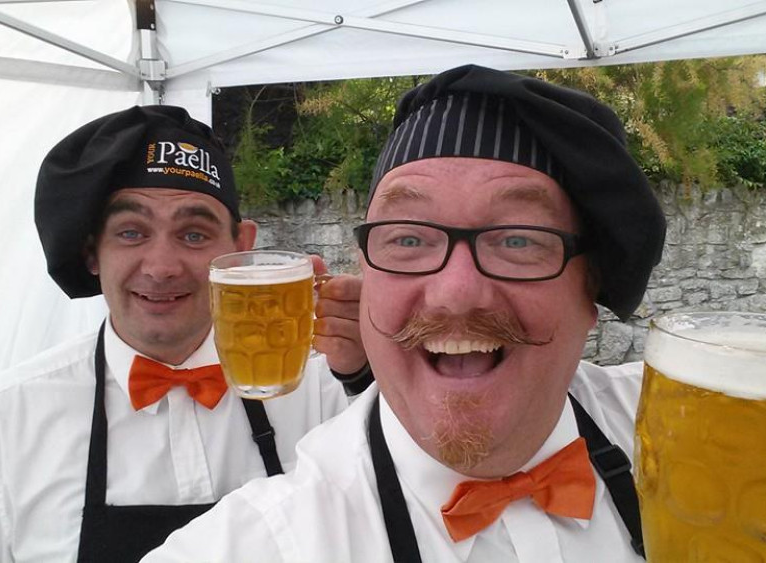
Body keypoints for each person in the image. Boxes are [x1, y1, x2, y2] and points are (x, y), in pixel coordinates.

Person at [144, 64, 666, 562]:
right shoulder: (267, 542)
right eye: (408, 239)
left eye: (517, 240)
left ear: (590, 290)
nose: (454, 294)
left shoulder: (680, 431)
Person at [0, 105, 371, 562]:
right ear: (92, 253)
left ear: (241, 246)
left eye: (194, 235)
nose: (162, 267)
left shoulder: (329, 395)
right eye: (131, 233)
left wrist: (369, 366)